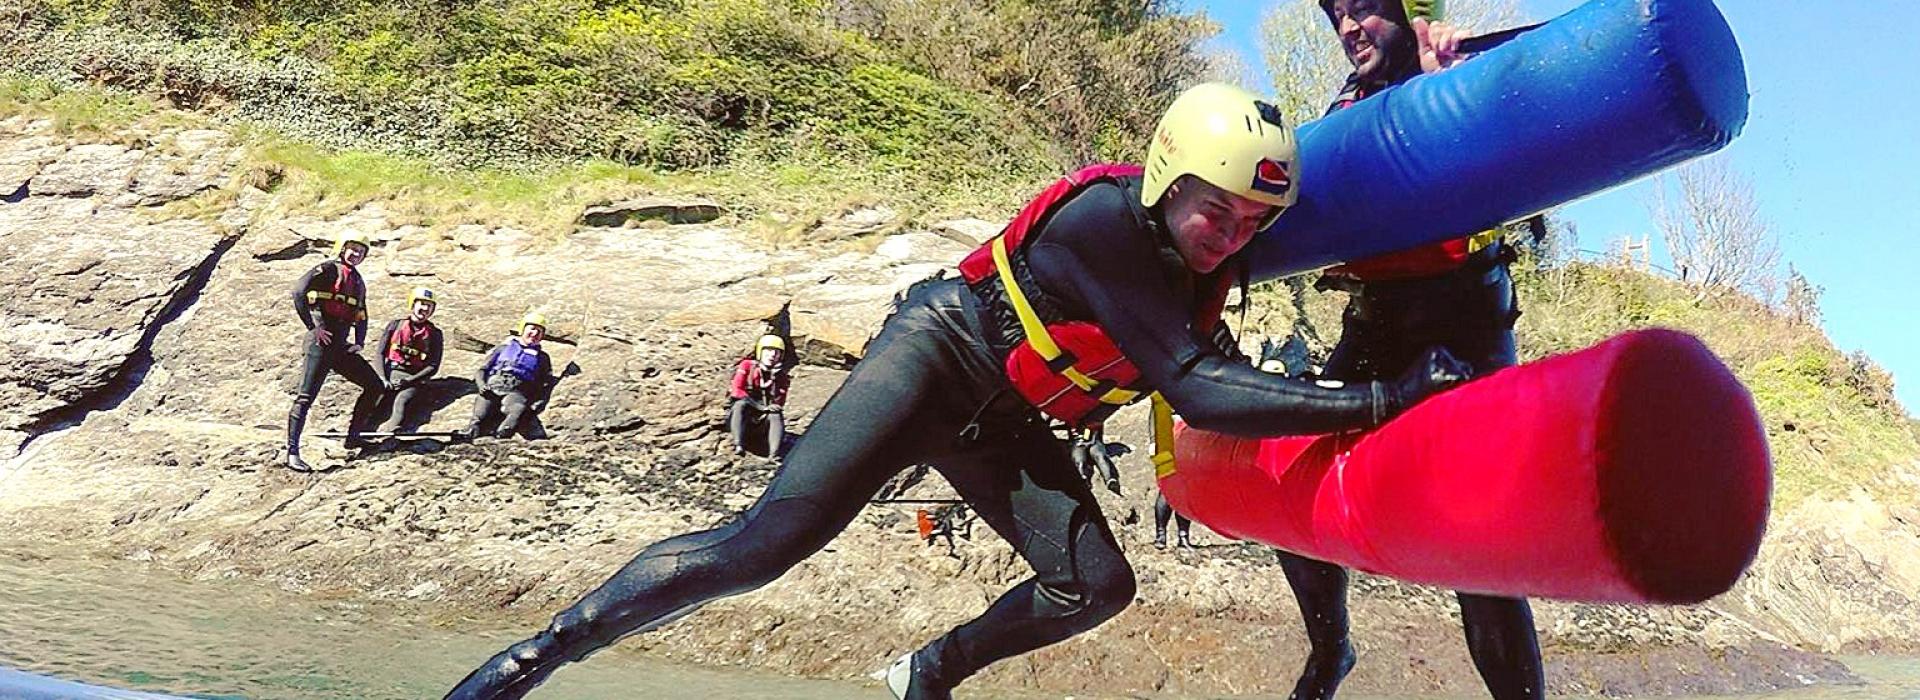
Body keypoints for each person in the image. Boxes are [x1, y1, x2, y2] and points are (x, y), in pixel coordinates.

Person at [443, 82, 1469, 700]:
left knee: (1098, 585)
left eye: (1253, 223)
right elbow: (1200, 389)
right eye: (1218, 212)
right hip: (932, 360)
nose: (1234, 236)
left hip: (1008, 421)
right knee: (758, 550)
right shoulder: (1109, 223)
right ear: (1166, 179)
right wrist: (1381, 400)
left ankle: (930, 672)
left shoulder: (1200, 255)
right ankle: (534, 659)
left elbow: (1220, 360)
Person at [1273, 2, 1542, 699]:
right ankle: (1332, 650)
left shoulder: (1465, 75)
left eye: (1366, 7)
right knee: (1287, 476)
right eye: (1339, 14)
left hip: (1465, 326)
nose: (1348, 27)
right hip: (1374, 329)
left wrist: (1449, 92)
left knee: (1473, 551)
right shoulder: (1344, 105)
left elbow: (1524, 168)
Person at [284, 231, 383, 472]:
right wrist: (313, 328)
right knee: (306, 397)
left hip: (340, 345)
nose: (356, 254)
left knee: (375, 386)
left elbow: (361, 314)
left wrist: (359, 341)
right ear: (341, 248)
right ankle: (292, 452)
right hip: (321, 342)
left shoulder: (358, 281)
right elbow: (298, 292)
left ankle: (354, 437)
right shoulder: (327, 269)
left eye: (361, 252)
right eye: (352, 249)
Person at [461, 312, 558, 441]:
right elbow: (482, 370)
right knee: (479, 417)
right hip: (493, 386)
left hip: (516, 391)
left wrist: (538, 402)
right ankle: (470, 431)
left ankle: (503, 435)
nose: (535, 334)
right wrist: (481, 385)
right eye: (532, 329)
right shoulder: (502, 349)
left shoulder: (542, 358)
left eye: (539, 331)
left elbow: (546, 384)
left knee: (516, 411)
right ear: (522, 329)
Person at [366, 287, 445, 442]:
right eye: (421, 304)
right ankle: (360, 429)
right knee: (376, 396)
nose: (425, 309)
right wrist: (382, 378)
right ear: (412, 305)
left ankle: (391, 429)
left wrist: (409, 381)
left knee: (402, 400)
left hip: (412, 379)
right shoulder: (395, 325)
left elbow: (433, 366)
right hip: (390, 372)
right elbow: (380, 354)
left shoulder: (435, 334)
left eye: (429, 306)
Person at [728, 334, 793, 457]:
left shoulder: (782, 377)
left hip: (762, 421)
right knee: (740, 405)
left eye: (777, 352)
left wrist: (775, 378)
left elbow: (778, 403)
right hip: (744, 416)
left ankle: (774, 455)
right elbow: (737, 391)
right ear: (760, 352)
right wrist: (760, 407)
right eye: (768, 351)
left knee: (775, 414)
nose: (772, 355)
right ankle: (738, 444)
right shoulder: (747, 366)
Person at [1068, 425, 1120, 495]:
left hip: (1094, 442)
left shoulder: (1091, 417)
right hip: (1078, 444)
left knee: (1100, 457)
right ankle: (1083, 479)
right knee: (1079, 461)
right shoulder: (1069, 420)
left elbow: (1095, 427)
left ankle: (1110, 479)